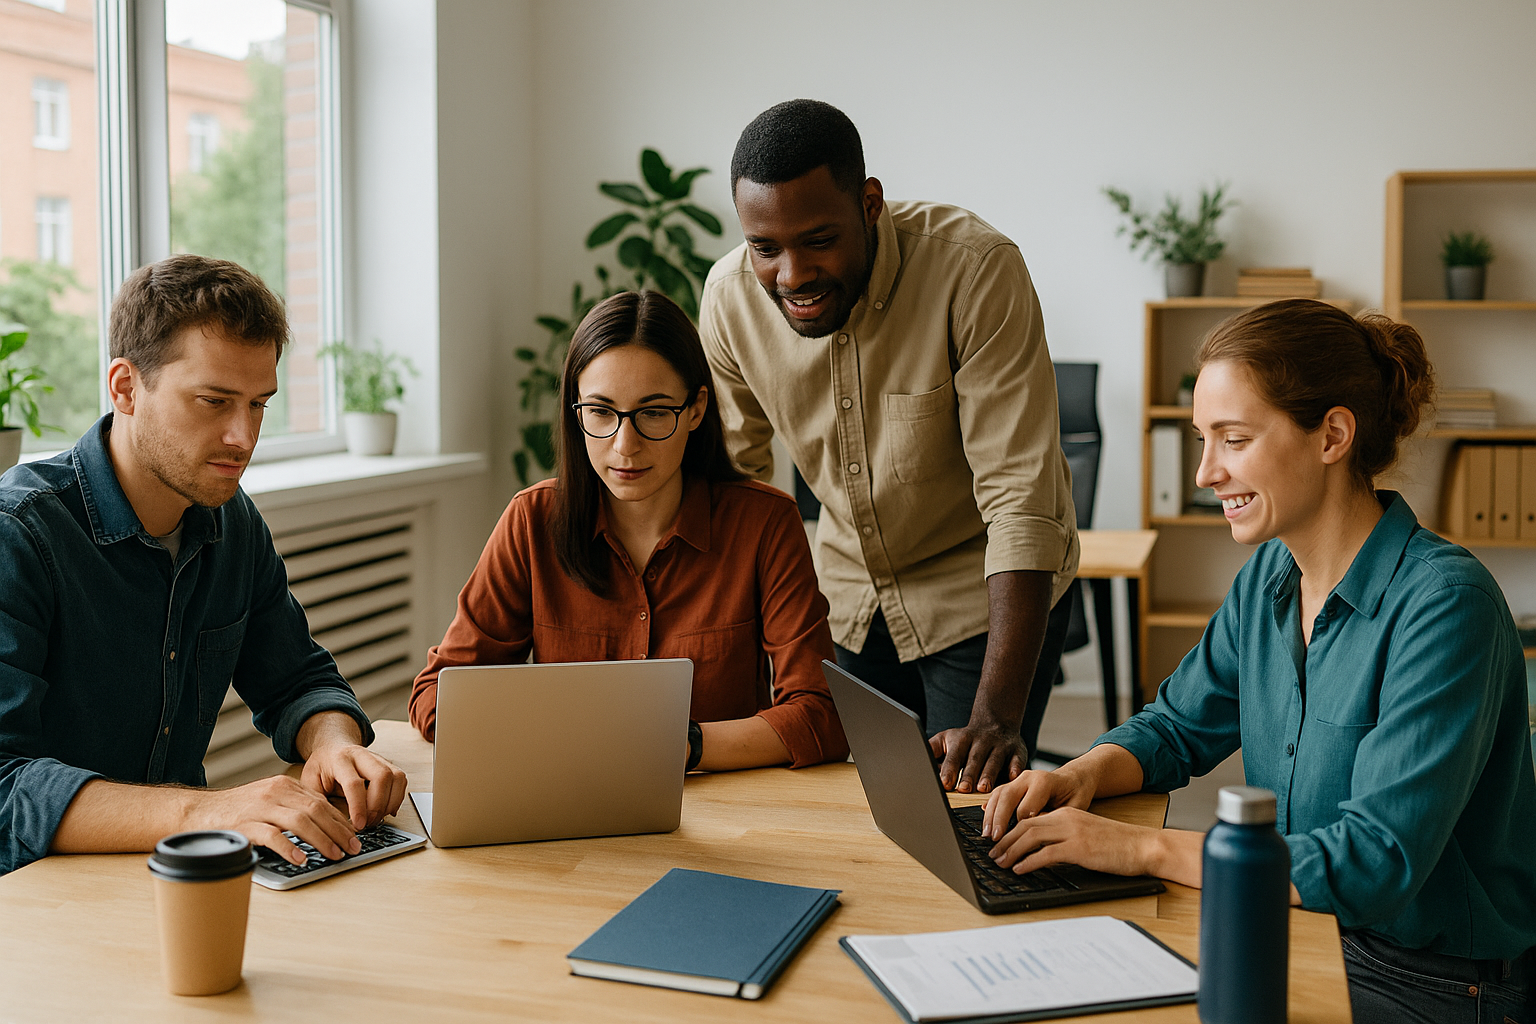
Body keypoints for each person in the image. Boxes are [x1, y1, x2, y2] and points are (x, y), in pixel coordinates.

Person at [981, 299, 1536, 1022]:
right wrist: (1078, 777)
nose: (1207, 471)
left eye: (1233, 439)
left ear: (1333, 435)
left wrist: (1142, 849)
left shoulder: (1444, 605)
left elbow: (1373, 863)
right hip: (1306, 924)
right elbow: (1177, 727)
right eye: (1201, 440)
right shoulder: (1270, 578)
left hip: (1435, 982)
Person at [700, 98, 1078, 794]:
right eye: (765, 248)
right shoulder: (728, 301)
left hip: (979, 601)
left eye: (818, 239)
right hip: (847, 597)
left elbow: (1020, 500)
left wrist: (997, 715)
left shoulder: (974, 270)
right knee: (866, 808)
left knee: (968, 818)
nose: (792, 275)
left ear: (869, 204)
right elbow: (734, 494)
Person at [0, 254, 407, 876]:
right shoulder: (20, 533)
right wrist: (200, 813)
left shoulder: (230, 521)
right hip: (38, 899)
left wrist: (331, 743)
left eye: (259, 405)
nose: (243, 437)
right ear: (125, 387)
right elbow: (4, 787)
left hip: (178, 878)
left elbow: (296, 678)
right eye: (214, 401)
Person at [409, 291, 847, 771]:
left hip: (727, 814)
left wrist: (682, 745)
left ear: (696, 410)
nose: (625, 445)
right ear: (576, 414)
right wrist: (563, 740)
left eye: (654, 412)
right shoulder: (531, 521)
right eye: (600, 412)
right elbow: (435, 695)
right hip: (571, 804)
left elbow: (821, 716)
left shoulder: (765, 523)